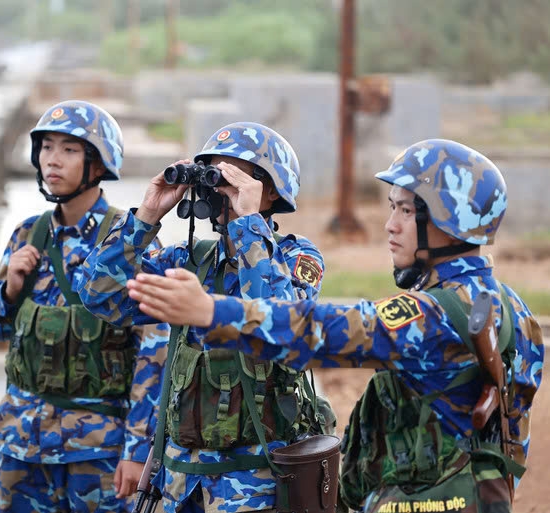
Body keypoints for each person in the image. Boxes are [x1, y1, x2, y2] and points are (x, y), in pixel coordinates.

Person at [125, 138, 545, 513]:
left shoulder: (432, 315)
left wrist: (210, 312)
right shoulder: (513, 308)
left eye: (404, 210)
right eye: (391, 208)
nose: (390, 225)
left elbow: (321, 330)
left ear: (448, 220)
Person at [79, 122, 336, 513]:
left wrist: (248, 220)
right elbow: (101, 297)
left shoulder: (296, 258)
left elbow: (280, 321)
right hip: (179, 481)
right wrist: (147, 216)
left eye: (234, 177)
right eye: (213, 175)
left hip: (253, 483)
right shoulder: (187, 260)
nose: (220, 190)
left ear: (269, 191)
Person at [0, 100, 168, 513]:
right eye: (46, 147)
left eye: (69, 149)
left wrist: (138, 452)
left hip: (97, 450)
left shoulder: (130, 240)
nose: (53, 160)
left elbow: (155, 353)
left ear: (98, 164)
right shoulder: (27, 234)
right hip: (21, 443)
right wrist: (10, 288)